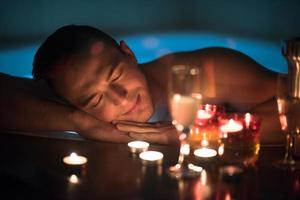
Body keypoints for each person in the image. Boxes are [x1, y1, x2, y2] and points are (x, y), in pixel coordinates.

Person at [0, 25, 285, 145]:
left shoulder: (205, 72)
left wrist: (200, 132)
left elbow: (295, 108)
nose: (121, 99)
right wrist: (79, 122)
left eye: (115, 76)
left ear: (129, 54)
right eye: (96, 101)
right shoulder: (69, 99)